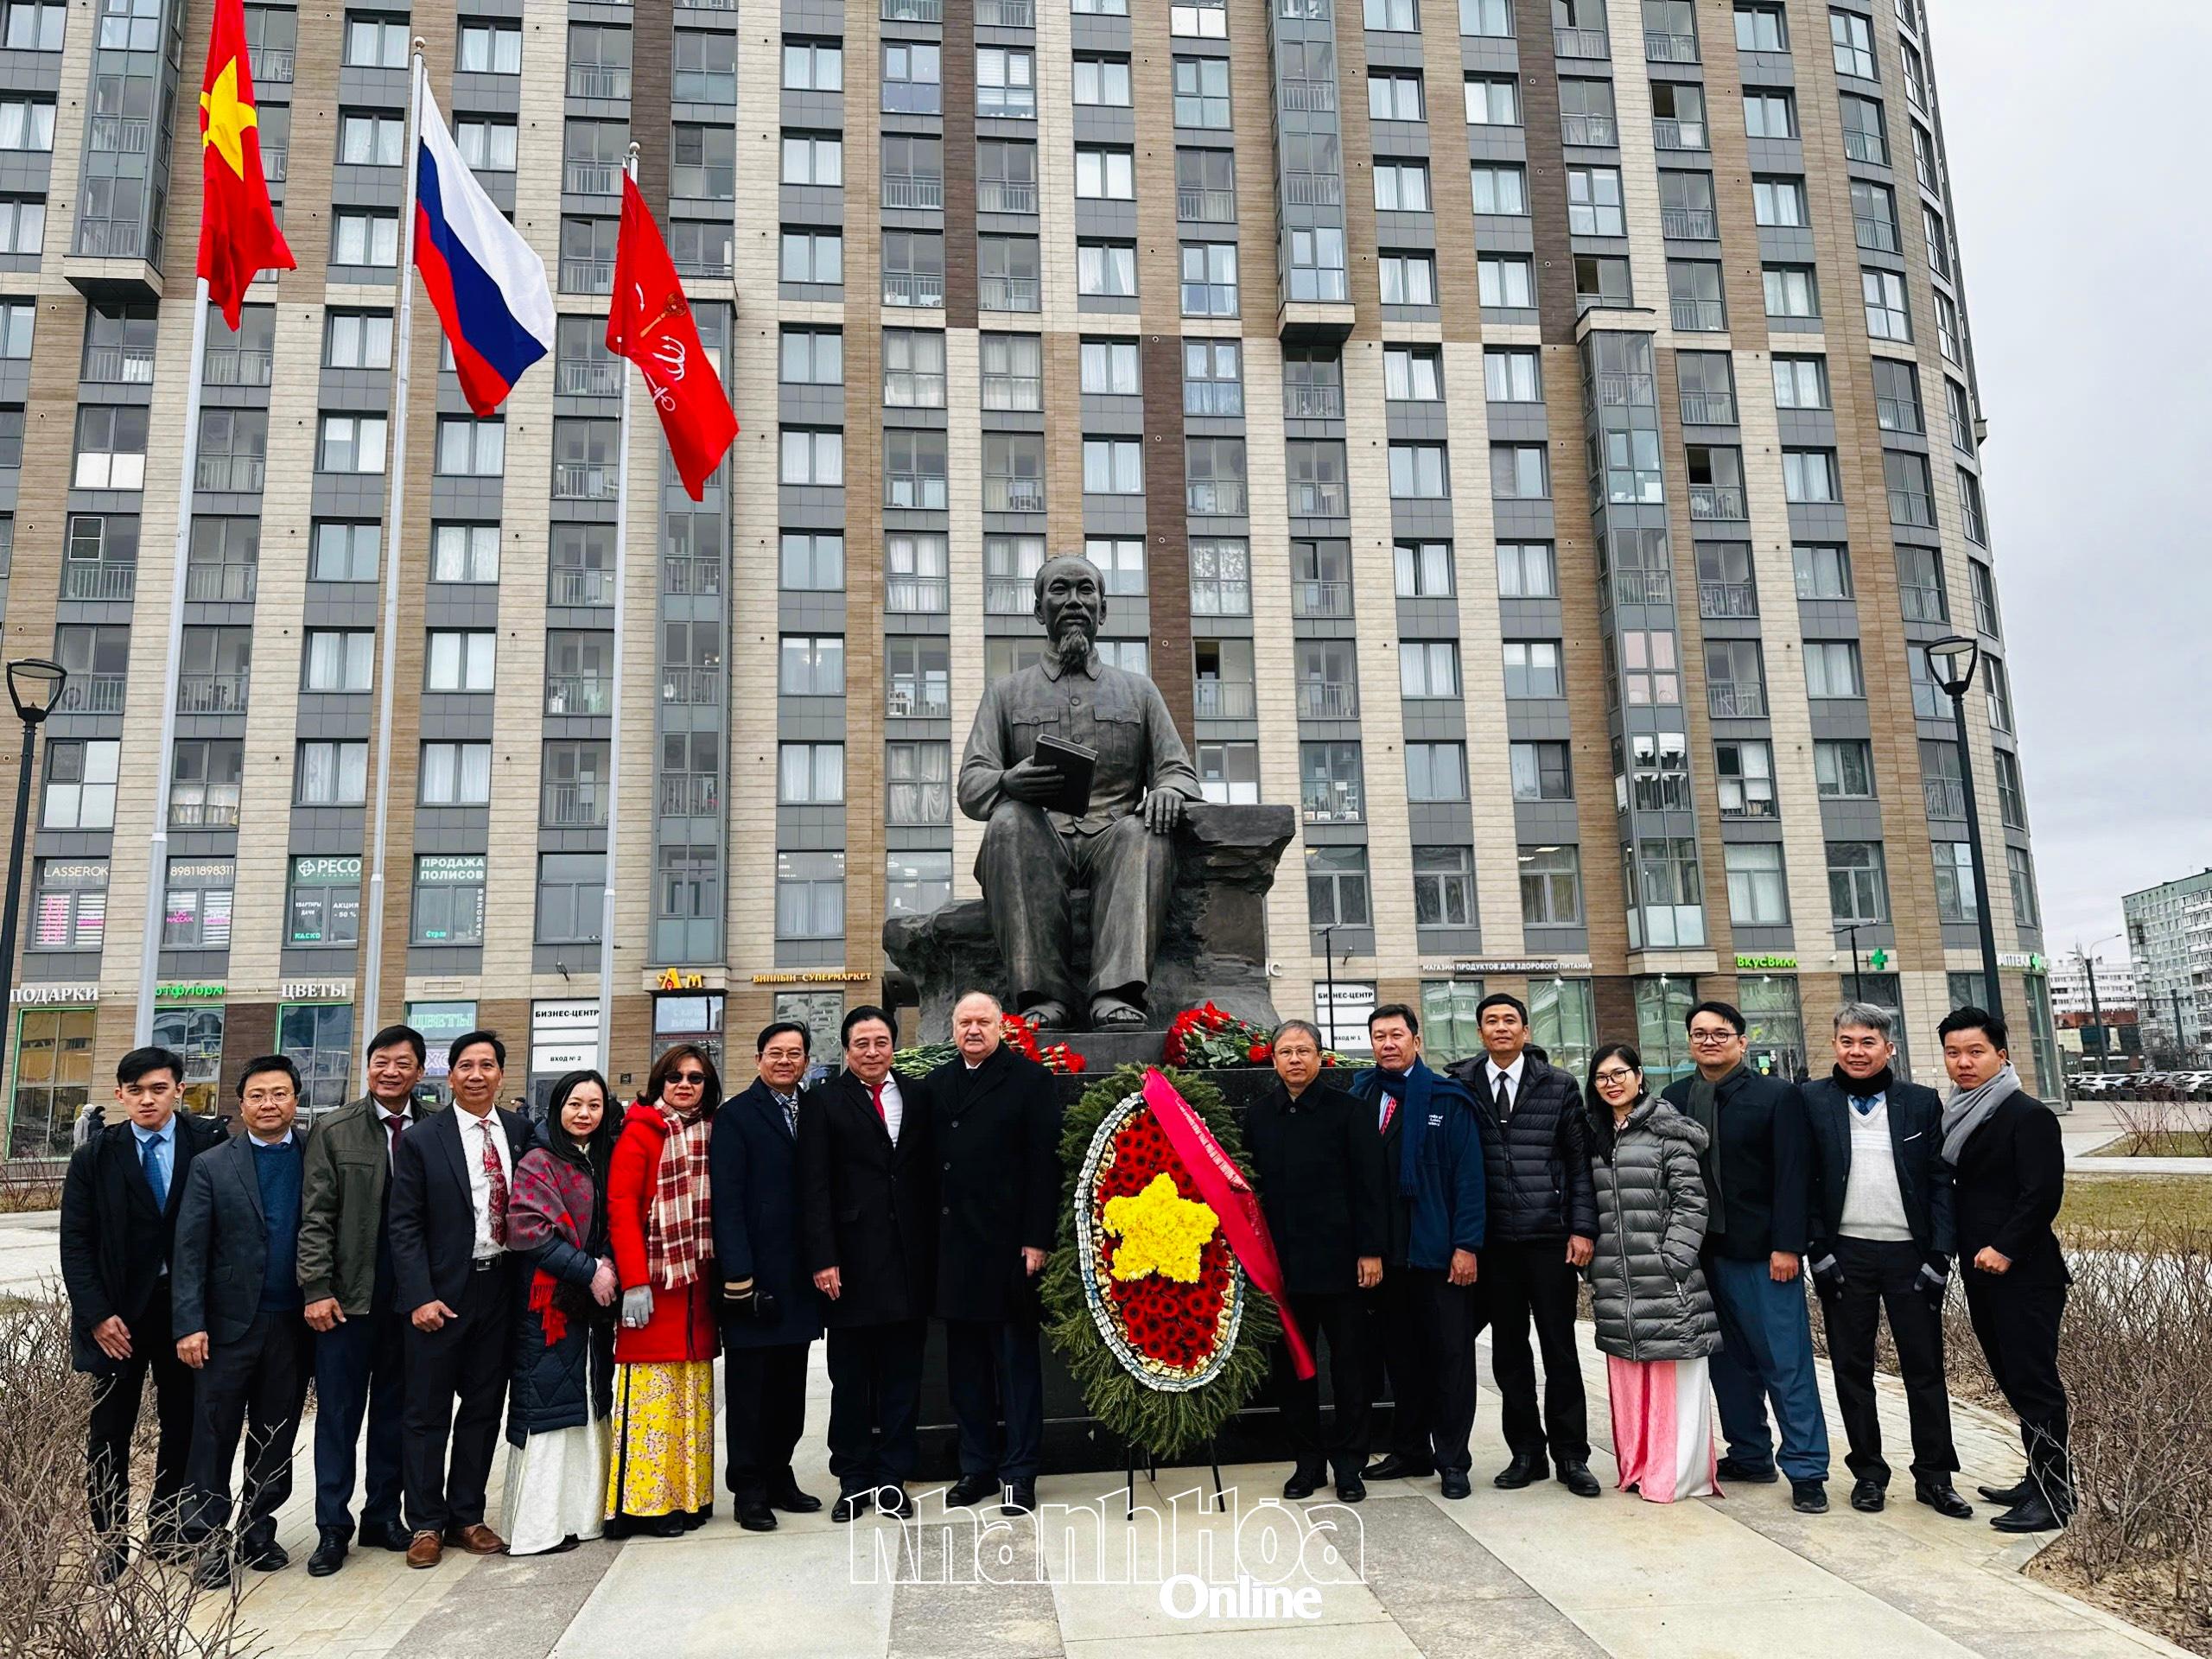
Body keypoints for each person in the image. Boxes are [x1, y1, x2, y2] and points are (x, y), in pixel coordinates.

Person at [957, 552, 1203, 1029]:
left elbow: (1179, 771)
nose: (1073, 601)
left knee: (1146, 833)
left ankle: (1116, 993)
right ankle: (1041, 997)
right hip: (1038, 837)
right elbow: (972, 786)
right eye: (1059, 590)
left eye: (1085, 590)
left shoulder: (1139, 692)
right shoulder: (1005, 694)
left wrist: (1171, 789)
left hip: (1113, 836)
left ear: (1103, 611)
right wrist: (1007, 782)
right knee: (1008, 821)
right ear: (1038, 610)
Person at [58, 1046, 226, 1580]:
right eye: (136, 1090)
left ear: (180, 1089)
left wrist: (202, 1312)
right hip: (117, 1319)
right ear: (120, 1095)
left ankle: (168, 1528)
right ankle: (109, 1541)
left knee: (183, 1422)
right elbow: (76, 1243)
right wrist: (96, 1315)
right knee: (109, 1430)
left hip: (185, 1312)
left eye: (158, 1088)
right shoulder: (95, 1156)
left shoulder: (210, 1143)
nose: (147, 1099)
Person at [1803, 1003, 1974, 1521]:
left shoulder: (1921, 1103)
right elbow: (1801, 1179)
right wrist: (1819, 1252)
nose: (1857, 1051)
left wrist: (1939, 1256)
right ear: (1835, 1045)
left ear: (1889, 1048)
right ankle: (1869, 1474)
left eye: (1868, 1042)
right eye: (1848, 1041)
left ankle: (1935, 1478)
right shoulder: (1810, 1100)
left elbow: (1943, 1182)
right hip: (1845, 1253)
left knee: (1925, 1369)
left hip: (1910, 1256)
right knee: (1852, 1369)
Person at [1662, 1001, 1831, 1515]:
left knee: (1785, 1360)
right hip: (1699, 1256)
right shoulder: (1674, 1098)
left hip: (1762, 1254)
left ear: (1741, 1041)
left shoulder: (1777, 1096)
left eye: (1720, 1033)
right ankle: (1750, 1453)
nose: (1709, 1041)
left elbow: (1794, 1175)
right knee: (1725, 1362)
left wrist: (1788, 1245)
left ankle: (1806, 1468)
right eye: (1699, 1033)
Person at [1444, 993, 1600, 1498]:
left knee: (1559, 1349)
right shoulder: (1462, 1085)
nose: (1501, 1028)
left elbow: (1578, 1164)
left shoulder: (1558, 1086)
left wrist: (1582, 1229)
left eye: (1510, 1020)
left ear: (1526, 1031)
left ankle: (1572, 1456)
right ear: (1480, 1033)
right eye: (1491, 1021)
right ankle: (1526, 1452)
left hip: (1549, 1240)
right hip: (1494, 1244)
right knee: (1508, 1353)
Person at [388, 1030, 533, 1567]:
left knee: (482, 1407)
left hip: (499, 1289)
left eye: (487, 1065)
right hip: (439, 1295)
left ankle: (466, 1516)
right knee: (426, 1412)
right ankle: (424, 1523)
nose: (477, 1074)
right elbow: (403, 1225)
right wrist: (419, 1296)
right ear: (449, 1076)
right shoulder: (424, 1138)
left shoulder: (521, 1132)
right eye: (466, 1066)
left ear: (500, 1074)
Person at [172, 1056, 315, 1589]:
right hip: (227, 1326)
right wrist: (189, 1324)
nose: (269, 1104)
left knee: (274, 1435)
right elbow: (190, 1252)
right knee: (213, 1434)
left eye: (279, 1094)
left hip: (293, 1323)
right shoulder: (212, 1165)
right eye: (258, 1095)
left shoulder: (313, 1157)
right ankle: (207, 1540)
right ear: (241, 1103)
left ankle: (258, 1531)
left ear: (295, 1101)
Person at [296, 1023, 431, 1575]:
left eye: (403, 1062)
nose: (391, 1070)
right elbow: (315, 1217)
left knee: (397, 1413)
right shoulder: (334, 1129)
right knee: (339, 1416)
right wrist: (317, 1287)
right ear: (368, 1065)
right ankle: (333, 1526)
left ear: (421, 1071)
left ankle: (383, 1515)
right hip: (348, 1298)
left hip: (410, 1299)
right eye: (381, 1060)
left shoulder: (435, 1128)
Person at [1938, 1007, 2072, 1534]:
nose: (1964, 1062)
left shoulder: (2026, 1113)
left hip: (2024, 1273)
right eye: (1954, 1053)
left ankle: (2054, 1495)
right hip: (1982, 1271)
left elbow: (2042, 1194)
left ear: (2001, 1054)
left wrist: (2005, 1247)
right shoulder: (1960, 1111)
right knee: (2013, 1380)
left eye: (1976, 1052)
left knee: (2034, 1382)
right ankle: (2035, 1477)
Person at [798, 1006, 936, 1522]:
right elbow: (813, 1185)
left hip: (908, 1263)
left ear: (893, 1045)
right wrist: (823, 1258)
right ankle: (853, 1479)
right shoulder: (824, 1101)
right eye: (862, 1044)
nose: (872, 1052)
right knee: (851, 1379)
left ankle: (892, 1479)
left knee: (903, 1377)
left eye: (881, 1042)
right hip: (850, 1266)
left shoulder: (919, 1097)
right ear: (846, 1049)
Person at [928, 991, 1061, 1516]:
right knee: (965, 1370)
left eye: (983, 1021)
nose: (973, 1030)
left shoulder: (1030, 1081)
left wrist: (1036, 1238)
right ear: (954, 1029)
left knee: (1015, 1365)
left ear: (1002, 1027)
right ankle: (976, 1467)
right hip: (954, 1251)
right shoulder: (937, 1084)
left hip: (1009, 1248)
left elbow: (1043, 1166)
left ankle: (1020, 1472)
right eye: (965, 1022)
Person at [1243, 1019, 1388, 1503]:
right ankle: (1307, 1463)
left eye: (1304, 1051)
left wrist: (1371, 1251)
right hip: (1283, 1271)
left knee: (1351, 1370)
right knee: (1294, 1372)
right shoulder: (1259, 1116)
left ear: (1321, 1057)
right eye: (1286, 1052)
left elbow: (1372, 1188)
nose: (1295, 1060)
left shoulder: (1349, 1111)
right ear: (1273, 1059)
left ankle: (1350, 1465)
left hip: (1345, 1266)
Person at [1347, 1004, 1486, 1499]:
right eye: (1378, 1036)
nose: (1387, 1044)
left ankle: (1453, 1460)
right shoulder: (1360, 1095)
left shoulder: (1449, 1099)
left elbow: (1470, 1179)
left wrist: (1467, 1245)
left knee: (1450, 1361)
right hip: (1386, 1259)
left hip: (1440, 1255)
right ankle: (1410, 1451)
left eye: (1396, 1035)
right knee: (1401, 1362)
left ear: (1416, 1041)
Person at [1586, 1044, 1719, 1503]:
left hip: (1665, 1276)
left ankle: (1675, 1474)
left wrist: (1673, 1262)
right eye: (1601, 1077)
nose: (1611, 1083)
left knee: (1672, 1375)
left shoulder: (1667, 1131)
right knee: (1629, 1375)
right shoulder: (1596, 1135)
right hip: (1615, 1278)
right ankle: (1638, 1466)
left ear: (1639, 1076)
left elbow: (1691, 1202)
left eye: (1619, 1073)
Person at [711, 1021, 827, 1531]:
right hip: (754, 1280)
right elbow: (728, 1203)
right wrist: (739, 1277)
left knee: (789, 1389)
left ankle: (781, 1475)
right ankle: (749, 1488)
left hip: (801, 1277)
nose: (785, 1061)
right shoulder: (735, 1116)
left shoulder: (816, 1110)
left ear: (805, 1061)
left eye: (795, 1053)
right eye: (775, 1053)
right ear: (759, 1059)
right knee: (750, 1393)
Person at [605, 1045, 722, 1538]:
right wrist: (634, 1281)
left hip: (698, 1288)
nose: (685, 1084)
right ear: (659, 1082)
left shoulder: (713, 1132)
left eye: (695, 1078)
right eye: (674, 1076)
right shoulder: (641, 1131)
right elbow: (621, 1207)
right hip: (655, 1287)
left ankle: (689, 1498)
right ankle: (644, 1506)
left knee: (690, 1400)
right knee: (653, 1404)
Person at [501, 1070, 620, 1555]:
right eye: (575, 1104)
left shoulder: (605, 1157)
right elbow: (528, 1230)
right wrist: (589, 1269)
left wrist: (608, 1263)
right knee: (546, 1409)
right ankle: (538, 1528)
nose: (584, 1114)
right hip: (549, 1304)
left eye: (594, 1105)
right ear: (557, 1107)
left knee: (590, 1405)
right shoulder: (538, 1160)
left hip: (595, 1305)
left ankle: (583, 1516)